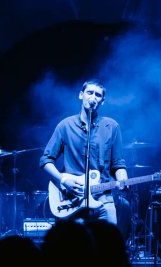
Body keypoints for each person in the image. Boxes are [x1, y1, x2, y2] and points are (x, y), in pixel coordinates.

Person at [40, 78, 129, 229]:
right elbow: (46, 160)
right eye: (89, 93)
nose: (93, 97)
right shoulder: (65, 126)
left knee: (109, 241)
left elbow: (118, 164)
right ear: (81, 95)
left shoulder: (111, 127)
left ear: (102, 101)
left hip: (104, 198)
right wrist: (63, 179)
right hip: (72, 198)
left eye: (98, 95)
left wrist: (123, 179)